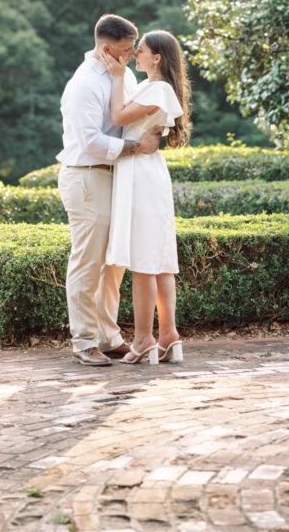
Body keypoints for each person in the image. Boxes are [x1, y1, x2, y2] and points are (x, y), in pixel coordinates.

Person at [56, 14, 162, 366]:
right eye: (128, 49)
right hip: (87, 176)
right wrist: (137, 149)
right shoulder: (84, 84)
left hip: (117, 176)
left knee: (114, 263)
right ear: (107, 48)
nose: (133, 54)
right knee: (87, 262)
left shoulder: (124, 73)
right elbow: (90, 141)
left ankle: (107, 335)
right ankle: (83, 341)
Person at [102, 30, 191, 365]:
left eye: (140, 51)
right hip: (144, 171)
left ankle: (144, 340)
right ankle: (169, 337)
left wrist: (115, 76)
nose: (134, 55)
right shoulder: (151, 87)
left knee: (145, 262)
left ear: (157, 58)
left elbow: (118, 117)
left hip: (142, 173)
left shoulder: (159, 88)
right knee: (158, 261)